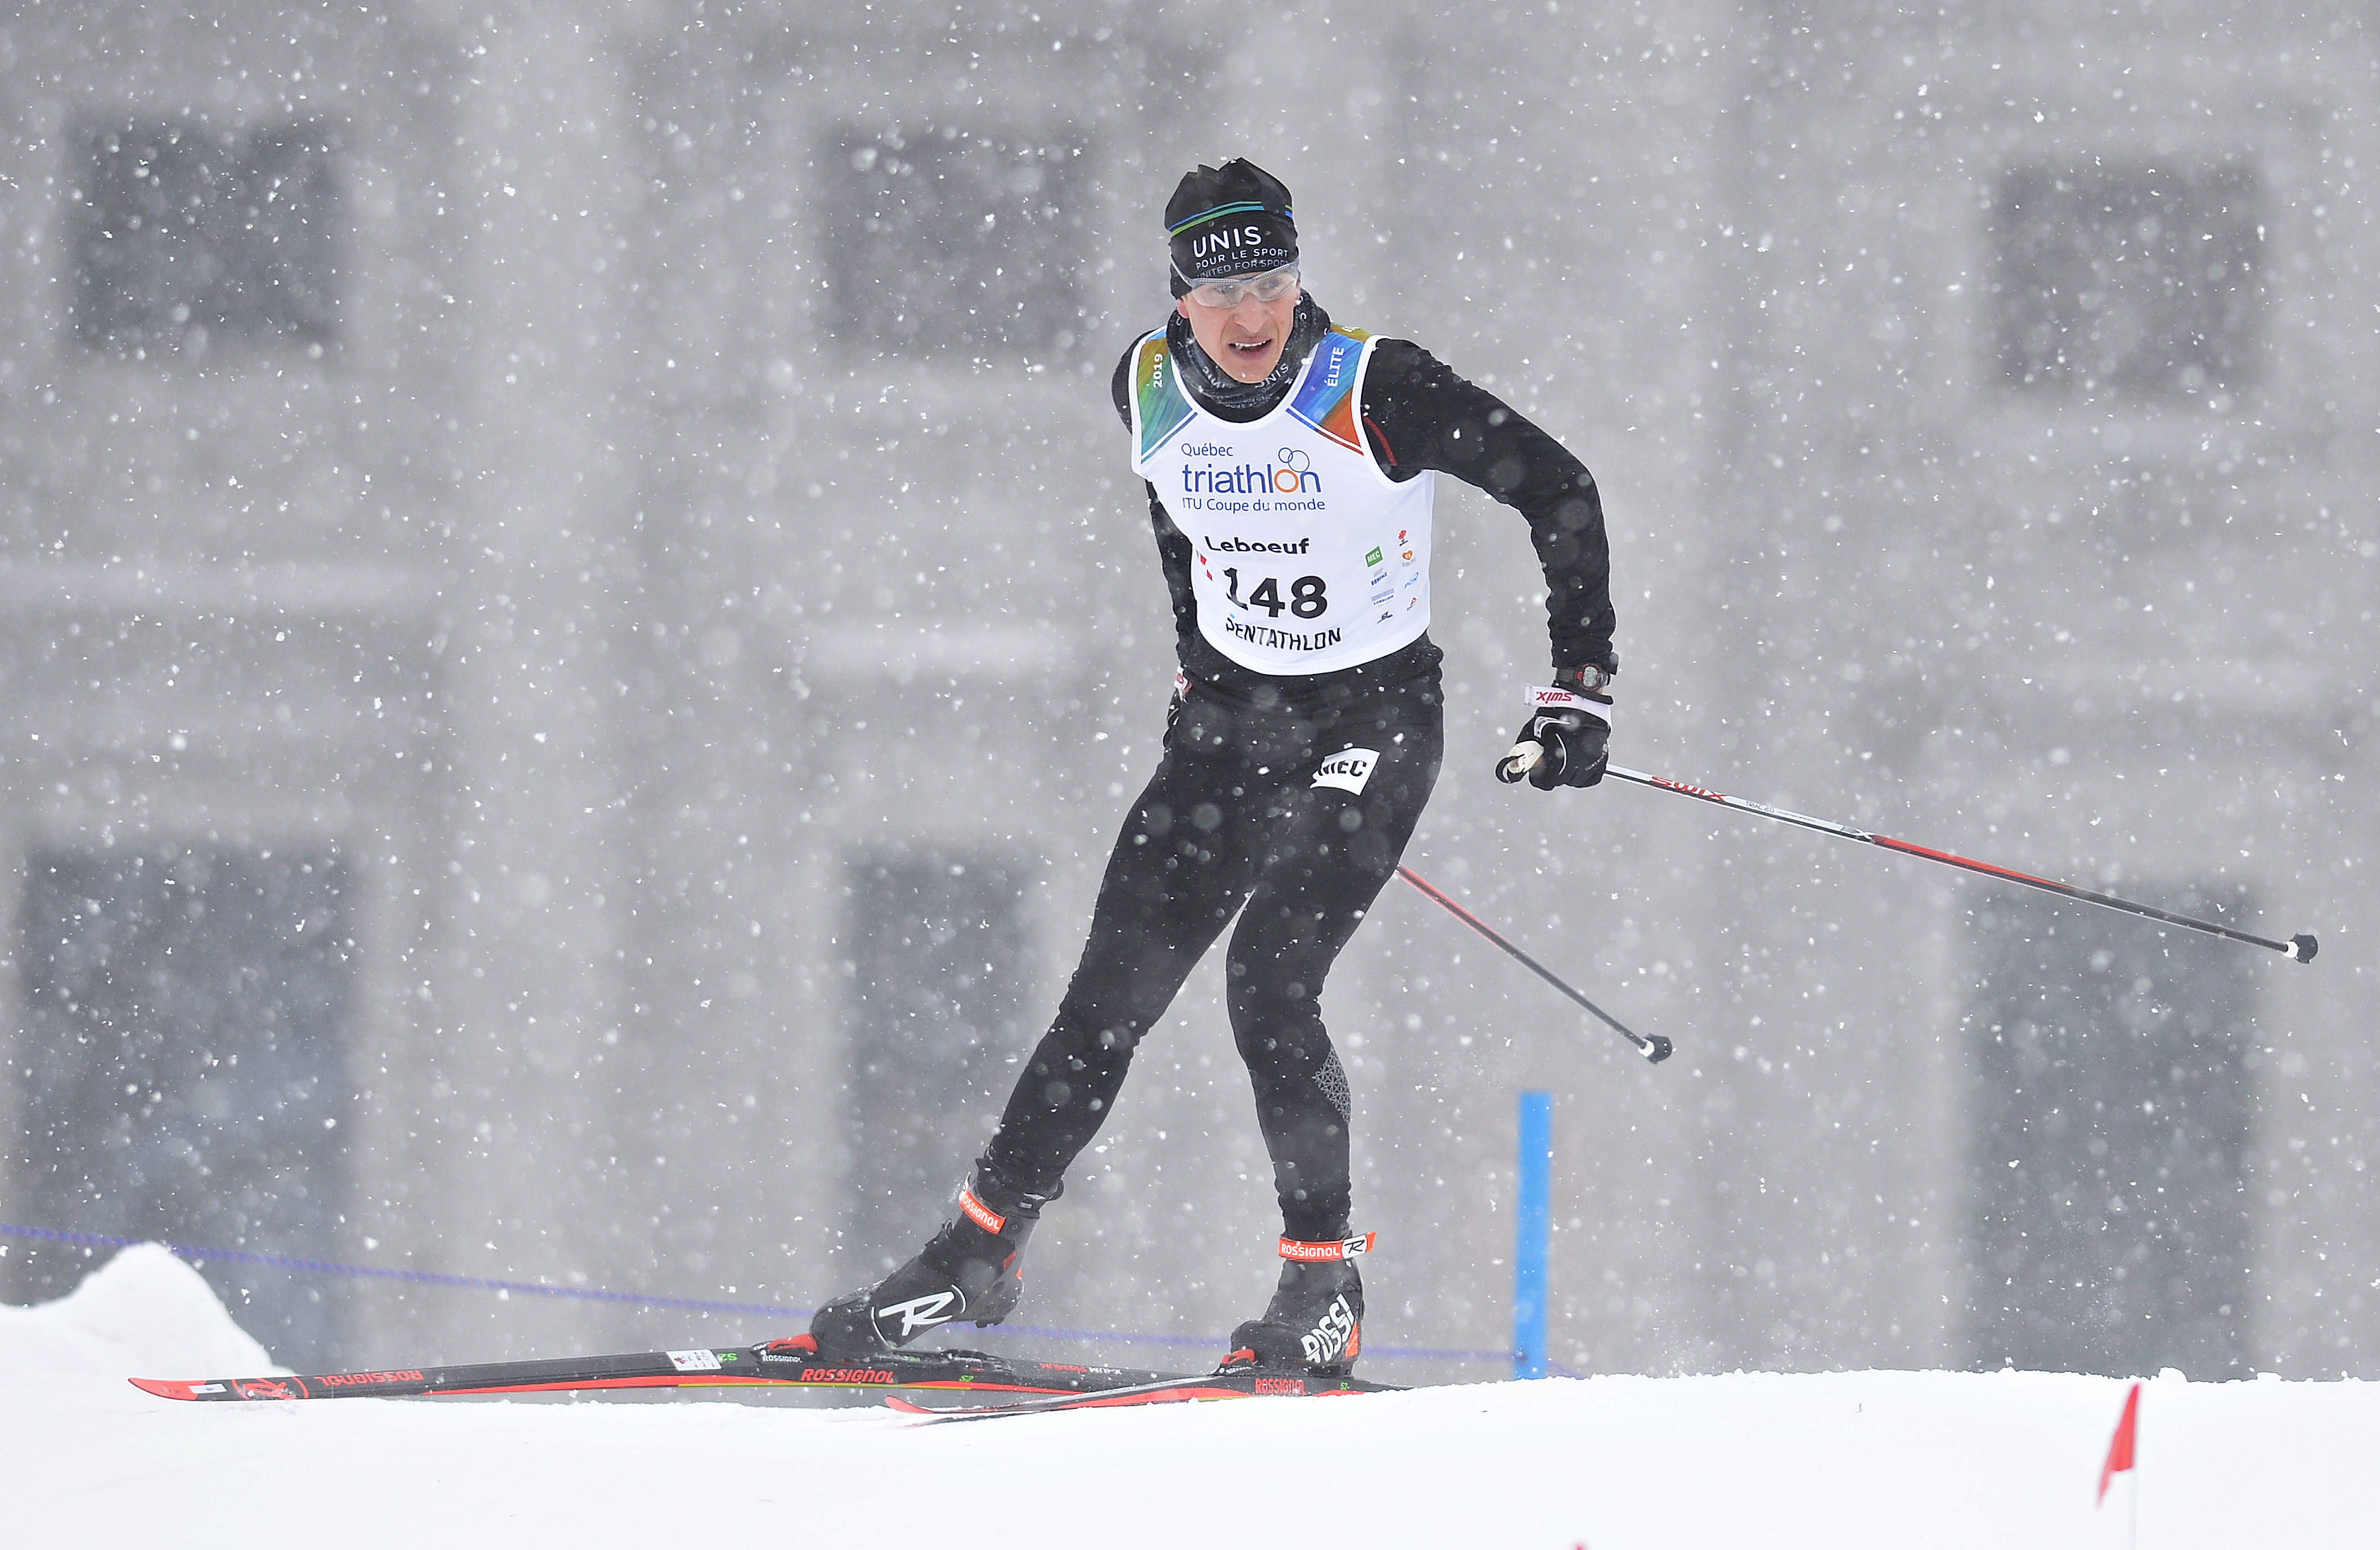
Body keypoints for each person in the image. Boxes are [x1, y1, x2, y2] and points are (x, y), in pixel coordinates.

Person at [809, 158, 1617, 1377]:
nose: (1252, 317)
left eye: (1272, 284)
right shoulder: (1142, 384)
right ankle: (976, 1248)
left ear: (1299, 278)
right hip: (1230, 735)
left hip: (1372, 721)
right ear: (1179, 295)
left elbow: (1560, 487)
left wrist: (1578, 685)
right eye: (1222, 291)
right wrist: (1201, 666)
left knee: (1269, 983)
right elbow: (1181, 525)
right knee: (1104, 1002)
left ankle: (1324, 1286)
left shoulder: (1378, 387)